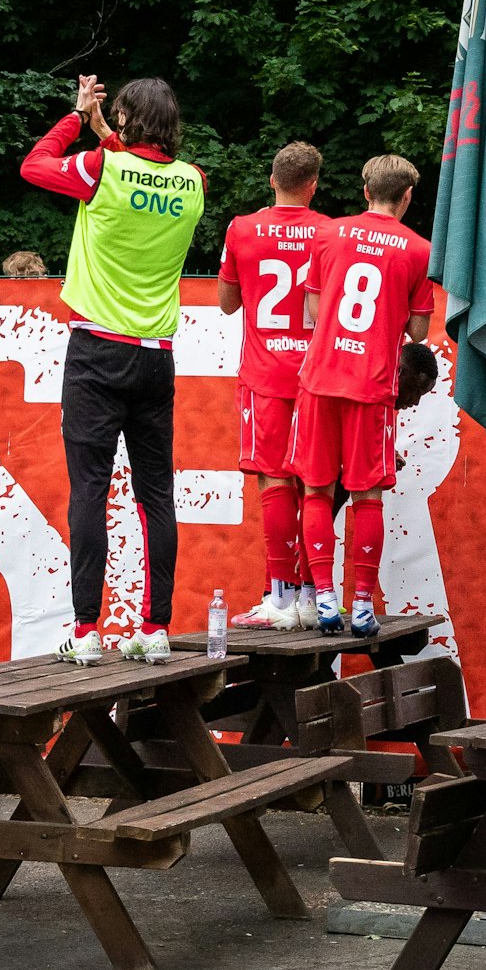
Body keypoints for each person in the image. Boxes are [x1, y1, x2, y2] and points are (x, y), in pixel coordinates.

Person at [21, 75, 206, 665]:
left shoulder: (103, 167)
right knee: (157, 496)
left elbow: (35, 165)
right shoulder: (194, 181)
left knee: (90, 492)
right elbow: (146, 168)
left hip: (96, 352)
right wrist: (110, 132)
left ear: (124, 122)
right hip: (156, 356)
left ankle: (85, 631)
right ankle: (154, 629)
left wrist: (80, 118)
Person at [292, 155, 434, 636]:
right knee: (367, 495)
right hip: (371, 383)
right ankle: (364, 606)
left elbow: (312, 308)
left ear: (364, 187)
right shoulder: (418, 249)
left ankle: (324, 600)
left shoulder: (328, 233)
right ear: (407, 196)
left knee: (316, 490)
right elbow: (417, 331)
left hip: (321, 377)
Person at [215, 142, 328, 630]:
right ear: (313, 185)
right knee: (315, 484)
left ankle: (280, 600)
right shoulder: (331, 232)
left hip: (266, 373)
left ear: (271, 180)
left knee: (275, 480)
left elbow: (226, 303)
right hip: (318, 373)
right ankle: (308, 595)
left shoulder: (242, 228)